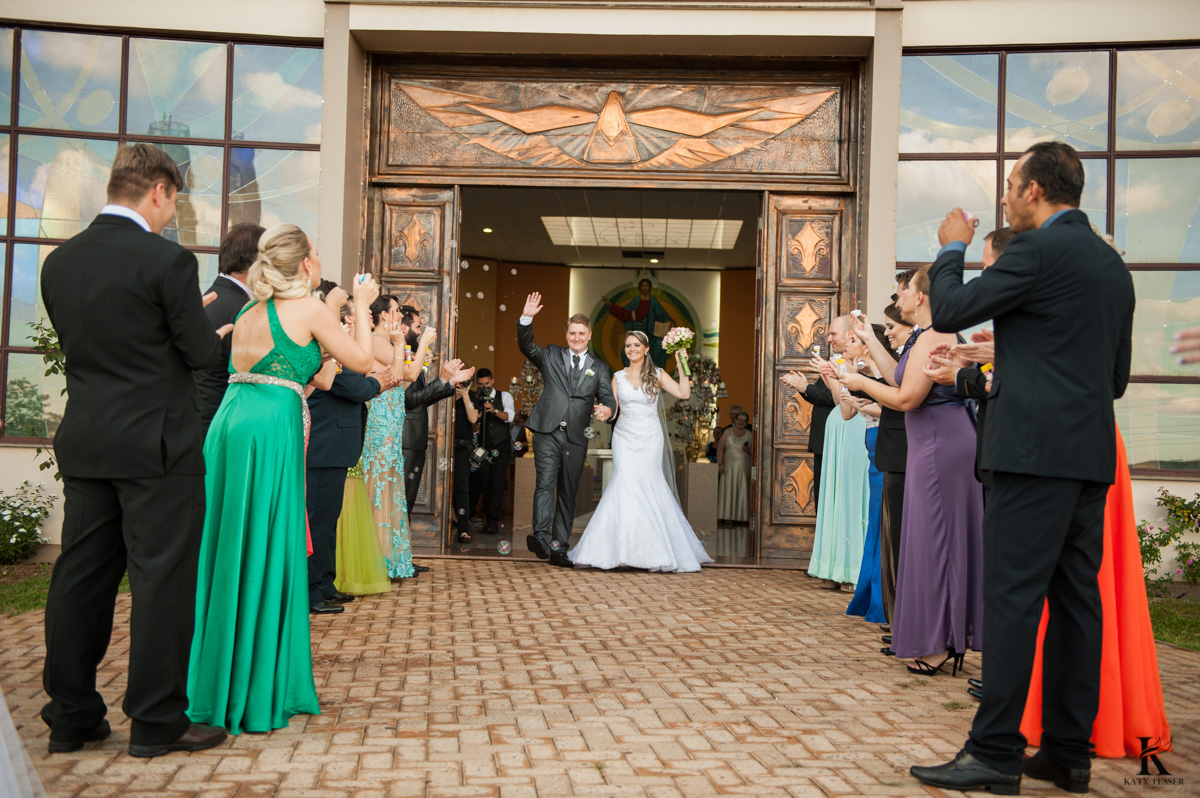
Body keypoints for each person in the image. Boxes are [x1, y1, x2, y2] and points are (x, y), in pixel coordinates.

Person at [908, 141, 1134, 795]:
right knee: (1076, 605)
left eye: (1010, 184)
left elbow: (951, 311)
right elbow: (1114, 380)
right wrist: (1017, 357)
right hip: (1086, 458)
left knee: (1011, 601)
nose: (1005, 196)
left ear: (1035, 190)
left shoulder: (1037, 250)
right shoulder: (1112, 267)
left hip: (1030, 457)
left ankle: (995, 752)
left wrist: (951, 248)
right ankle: (1067, 753)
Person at [40, 143, 228, 758]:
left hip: (88, 440)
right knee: (161, 582)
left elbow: (100, 347)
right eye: (175, 202)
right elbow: (199, 354)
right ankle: (155, 720)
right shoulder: (168, 261)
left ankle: (70, 716)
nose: (172, 214)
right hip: (158, 449)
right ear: (158, 191)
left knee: (80, 577)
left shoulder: (59, 264)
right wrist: (207, 327)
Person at [188, 223, 381, 736]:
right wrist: (361, 305)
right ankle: (255, 688)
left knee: (232, 549)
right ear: (304, 265)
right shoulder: (309, 309)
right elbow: (362, 361)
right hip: (269, 429)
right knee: (268, 547)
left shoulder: (249, 311)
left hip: (231, 425)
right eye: (316, 253)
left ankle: (222, 678)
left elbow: (313, 374)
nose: (319, 261)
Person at [839, 266, 985, 677]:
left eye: (903, 292)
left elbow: (906, 399)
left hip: (941, 445)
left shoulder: (936, 335)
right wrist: (869, 341)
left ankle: (940, 641)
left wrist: (859, 383)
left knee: (938, 542)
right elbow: (898, 376)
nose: (898, 298)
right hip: (931, 444)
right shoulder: (926, 336)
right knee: (929, 540)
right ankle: (943, 635)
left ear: (919, 297)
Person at [1020, 427, 1172, 762]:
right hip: (1087, 438)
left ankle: (1084, 721)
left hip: (1070, 444)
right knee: (1082, 581)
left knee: (1081, 579)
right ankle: (1078, 719)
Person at [569, 331, 712, 572]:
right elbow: (613, 409)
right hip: (624, 437)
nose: (631, 349)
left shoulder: (657, 374)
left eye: (636, 345)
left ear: (646, 348)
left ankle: (652, 550)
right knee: (623, 483)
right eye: (628, 345)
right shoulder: (617, 377)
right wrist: (605, 412)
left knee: (650, 484)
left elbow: (684, 393)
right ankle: (619, 550)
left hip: (650, 438)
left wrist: (681, 363)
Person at [307, 286, 396, 612]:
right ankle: (311, 591)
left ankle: (325, 583)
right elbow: (355, 386)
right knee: (318, 521)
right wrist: (379, 382)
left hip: (335, 446)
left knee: (328, 521)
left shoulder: (342, 348)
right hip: (323, 446)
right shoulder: (331, 350)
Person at [517, 292, 617, 566]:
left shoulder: (600, 367)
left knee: (568, 491)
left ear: (589, 335)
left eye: (581, 333)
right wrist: (526, 318)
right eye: (572, 333)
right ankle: (541, 536)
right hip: (546, 432)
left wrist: (608, 410)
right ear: (566, 334)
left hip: (576, 435)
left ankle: (559, 548)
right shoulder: (550, 354)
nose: (576, 337)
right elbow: (527, 347)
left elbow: (607, 397)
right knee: (545, 483)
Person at [362, 296, 437, 579]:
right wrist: (424, 343)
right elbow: (408, 373)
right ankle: (376, 558)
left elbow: (402, 380)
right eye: (395, 310)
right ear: (384, 315)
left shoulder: (388, 343)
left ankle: (390, 559)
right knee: (379, 488)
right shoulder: (377, 341)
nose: (398, 315)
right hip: (381, 424)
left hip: (392, 425)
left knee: (390, 489)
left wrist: (417, 359)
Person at [333, 302, 393, 596]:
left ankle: (330, 579)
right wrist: (376, 382)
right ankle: (326, 580)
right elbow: (356, 386)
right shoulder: (338, 348)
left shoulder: (351, 348)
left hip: (351, 436)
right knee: (332, 513)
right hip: (334, 437)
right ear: (347, 318)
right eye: (360, 309)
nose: (370, 313)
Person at [804, 333, 872, 590]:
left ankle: (853, 568)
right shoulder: (841, 364)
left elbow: (848, 404)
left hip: (857, 427)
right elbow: (839, 400)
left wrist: (835, 376)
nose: (836, 342)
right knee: (837, 498)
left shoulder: (869, 368)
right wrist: (831, 376)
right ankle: (834, 566)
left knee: (854, 499)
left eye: (851, 341)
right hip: (840, 426)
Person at [400, 304, 474, 521]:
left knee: (407, 501)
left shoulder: (409, 355)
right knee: (402, 501)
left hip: (414, 439)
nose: (420, 332)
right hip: (405, 439)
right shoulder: (400, 356)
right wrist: (441, 379)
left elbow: (420, 399)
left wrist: (449, 382)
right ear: (404, 327)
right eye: (418, 327)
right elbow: (410, 399)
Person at [195, 222, 262, 438]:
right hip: (222, 427)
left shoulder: (208, 297)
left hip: (196, 422)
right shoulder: (245, 309)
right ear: (256, 263)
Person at [842, 324, 891, 626]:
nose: (847, 345)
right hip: (872, 446)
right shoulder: (861, 374)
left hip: (886, 445)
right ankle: (871, 593)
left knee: (882, 521)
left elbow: (894, 409)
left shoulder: (884, 373)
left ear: (867, 345)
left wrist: (866, 405)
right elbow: (846, 412)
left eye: (852, 341)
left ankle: (881, 598)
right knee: (876, 521)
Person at [789, 315, 852, 506]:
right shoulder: (834, 360)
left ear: (849, 334)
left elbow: (836, 397)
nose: (829, 339)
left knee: (834, 497)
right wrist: (804, 388)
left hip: (840, 438)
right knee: (822, 497)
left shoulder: (850, 363)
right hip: (825, 437)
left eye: (833, 334)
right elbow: (824, 394)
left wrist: (806, 388)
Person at [470, 368, 515, 536]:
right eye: (481, 384)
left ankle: (493, 521)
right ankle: (486, 519)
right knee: (485, 483)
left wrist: (494, 410)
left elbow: (509, 417)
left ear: (492, 381)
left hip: (501, 446)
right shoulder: (476, 399)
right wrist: (477, 416)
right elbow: (474, 428)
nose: (484, 387)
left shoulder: (504, 396)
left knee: (497, 482)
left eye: (487, 383)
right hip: (483, 447)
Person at [602, 277, 673, 367]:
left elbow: (663, 316)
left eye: (647, 286)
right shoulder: (636, 301)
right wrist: (610, 304)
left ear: (650, 288)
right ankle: (632, 372)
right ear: (639, 288)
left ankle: (655, 371)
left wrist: (670, 323)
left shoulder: (653, 302)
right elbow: (624, 313)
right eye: (643, 286)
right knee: (624, 353)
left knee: (660, 346)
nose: (645, 288)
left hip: (651, 336)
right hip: (637, 336)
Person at [451, 380, 480, 542]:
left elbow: (473, 418)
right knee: (441, 485)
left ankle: (463, 528)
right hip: (443, 446)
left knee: (461, 486)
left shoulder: (470, 395)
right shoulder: (445, 393)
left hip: (462, 447)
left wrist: (465, 395)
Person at [716, 411, 751, 523]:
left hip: (743, 467)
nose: (741, 422)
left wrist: (748, 450)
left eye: (744, 420)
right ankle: (727, 517)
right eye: (739, 420)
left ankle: (742, 517)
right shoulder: (727, 432)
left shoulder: (749, 434)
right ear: (735, 420)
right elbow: (720, 448)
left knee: (742, 489)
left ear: (746, 423)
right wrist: (719, 463)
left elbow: (755, 451)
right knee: (728, 489)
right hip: (728, 467)